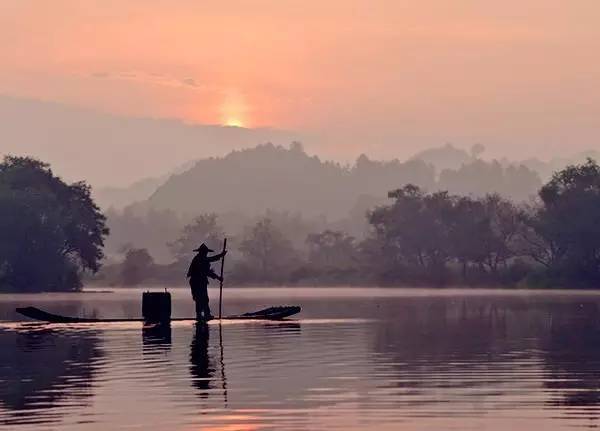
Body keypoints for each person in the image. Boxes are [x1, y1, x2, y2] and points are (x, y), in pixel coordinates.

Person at [187, 243, 226, 320]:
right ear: (201, 252)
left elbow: (208, 272)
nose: (206, 253)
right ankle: (201, 315)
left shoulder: (203, 260)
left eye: (206, 252)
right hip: (196, 282)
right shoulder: (198, 259)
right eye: (204, 252)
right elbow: (208, 266)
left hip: (201, 282)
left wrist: (218, 278)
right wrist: (221, 255)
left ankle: (206, 314)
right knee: (199, 298)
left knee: (204, 298)